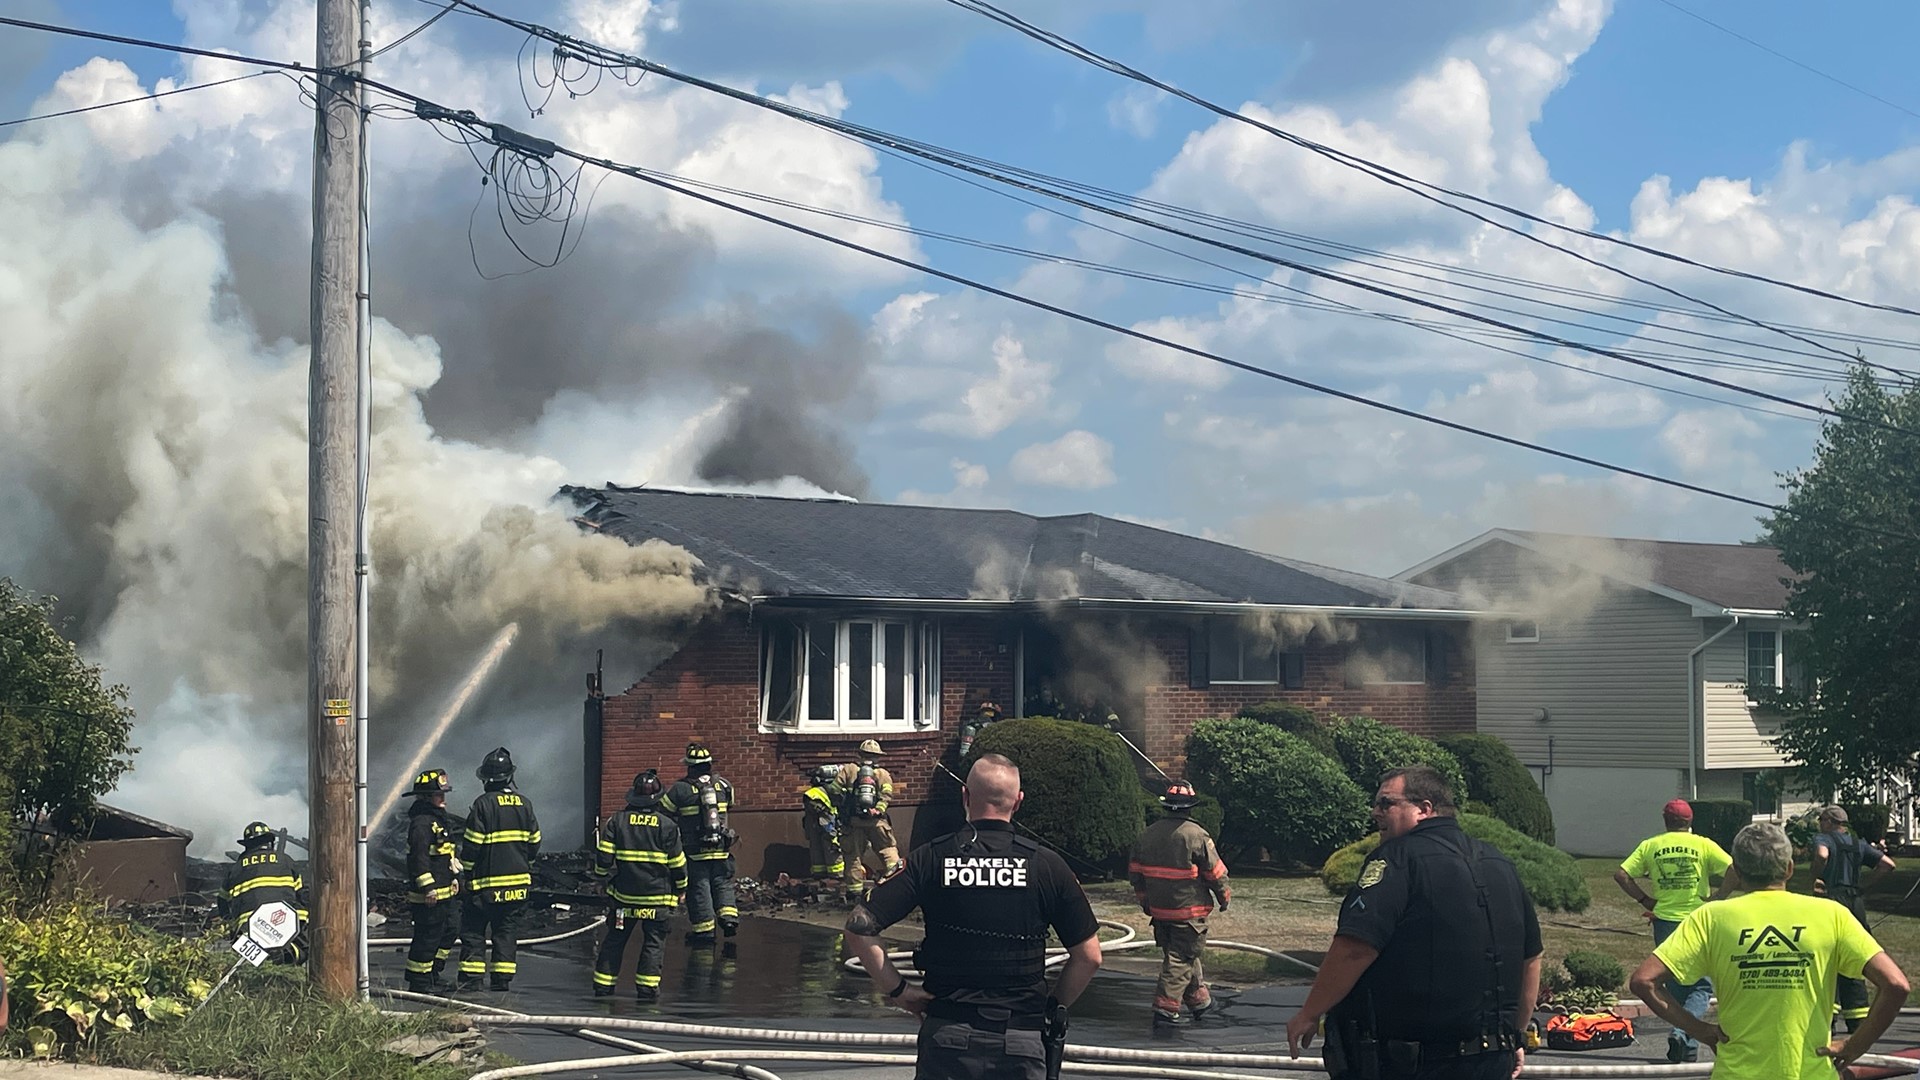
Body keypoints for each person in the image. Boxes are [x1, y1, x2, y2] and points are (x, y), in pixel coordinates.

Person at [845, 752, 1103, 1080]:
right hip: (1021, 1041)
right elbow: (1090, 957)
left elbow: (859, 927)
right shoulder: (1046, 865)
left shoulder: (931, 858)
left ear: (965, 795)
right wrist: (1050, 1008)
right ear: (1018, 801)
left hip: (947, 1041)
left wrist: (900, 992)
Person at [1285, 766, 1541, 1080]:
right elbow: (1531, 958)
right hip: (1491, 1060)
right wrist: (1513, 1036)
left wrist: (1309, 1012)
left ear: (1424, 809)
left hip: (1416, 1062)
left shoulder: (1396, 858)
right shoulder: (1499, 863)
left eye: (1386, 803)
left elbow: (1355, 946)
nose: (1375, 812)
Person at [1631, 821, 1910, 1079]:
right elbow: (1896, 984)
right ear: (1789, 868)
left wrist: (1700, 1032)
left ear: (1737, 873)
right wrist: (1854, 1045)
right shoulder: (1831, 914)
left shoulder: (1711, 917)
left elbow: (1644, 981)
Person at [1613, 797, 1733, 1062]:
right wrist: (1720, 896)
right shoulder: (1702, 844)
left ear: (1666, 821)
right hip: (1697, 921)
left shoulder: (1651, 846)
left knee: (1674, 985)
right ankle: (1682, 1034)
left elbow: (1621, 875)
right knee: (1701, 986)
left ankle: (1687, 1048)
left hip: (1665, 921)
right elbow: (1734, 869)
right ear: (1690, 821)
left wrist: (1645, 899)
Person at [1129, 779, 1230, 1025]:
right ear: (1190, 807)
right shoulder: (1196, 835)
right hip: (1189, 913)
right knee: (1181, 958)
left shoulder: (1147, 835)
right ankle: (1165, 1008)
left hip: (1160, 912)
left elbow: (1135, 873)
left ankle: (1199, 1001)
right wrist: (1223, 895)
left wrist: (1146, 903)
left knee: (1182, 954)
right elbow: (1215, 872)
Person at [592, 769, 688, 1001]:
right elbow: (678, 864)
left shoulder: (617, 821)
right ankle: (647, 989)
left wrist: (601, 878)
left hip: (624, 899)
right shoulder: (667, 826)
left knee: (615, 940)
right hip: (656, 901)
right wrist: (681, 888)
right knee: (653, 943)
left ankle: (603, 986)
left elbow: (604, 859)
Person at [456, 747, 542, 992]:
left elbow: (472, 846)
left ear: (486, 780)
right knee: (506, 933)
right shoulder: (525, 804)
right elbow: (534, 842)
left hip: (486, 888)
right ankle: (502, 981)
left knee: (473, 931)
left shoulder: (482, 805)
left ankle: (472, 981)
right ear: (509, 777)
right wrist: (527, 866)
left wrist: (467, 874)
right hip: (517, 888)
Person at [1811, 804, 1897, 1032]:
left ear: (1830, 822)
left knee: (1828, 955)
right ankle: (1857, 1017)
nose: (1820, 823)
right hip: (1855, 902)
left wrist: (1817, 875)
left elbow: (1822, 854)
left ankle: (1829, 1015)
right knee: (1854, 955)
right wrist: (1862, 886)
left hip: (1832, 899)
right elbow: (1887, 865)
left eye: (1822, 819)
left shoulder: (1824, 838)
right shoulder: (1857, 844)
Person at [663, 741, 739, 944]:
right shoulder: (724, 785)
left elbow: (664, 812)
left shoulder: (680, 789)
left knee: (699, 887)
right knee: (722, 883)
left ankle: (704, 931)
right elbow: (729, 806)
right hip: (722, 848)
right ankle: (729, 918)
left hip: (695, 850)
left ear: (690, 766)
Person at [404, 768, 462, 992]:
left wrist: (455, 876)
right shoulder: (421, 823)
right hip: (428, 895)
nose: (444, 800)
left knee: (450, 929)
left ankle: (432, 973)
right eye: (440, 795)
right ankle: (419, 982)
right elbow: (418, 858)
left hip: (445, 890)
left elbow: (446, 852)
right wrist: (427, 887)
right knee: (428, 937)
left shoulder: (438, 819)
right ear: (427, 797)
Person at [220, 821, 310, 965]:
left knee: (248, 964)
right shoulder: (286, 861)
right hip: (287, 927)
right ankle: (289, 960)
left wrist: (231, 925)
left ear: (247, 845)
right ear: (270, 842)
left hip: (247, 931)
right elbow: (302, 896)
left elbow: (222, 902)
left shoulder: (235, 869)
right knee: (305, 949)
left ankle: (260, 963)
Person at [836, 739, 900, 903]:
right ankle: (897, 885)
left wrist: (844, 807)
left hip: (854, 821)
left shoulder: (849, 770)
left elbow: (834, 791)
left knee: (853, 857)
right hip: (876, 822)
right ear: (878, 756)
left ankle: (854, 893)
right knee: (888, 851)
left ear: (860, 754)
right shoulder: (883, 774)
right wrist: (877, 810)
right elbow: (887, 795)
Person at [802, 763, 846, 880]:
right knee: (831, 847)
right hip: (825, 823)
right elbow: (826, 818)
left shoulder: (814, 792)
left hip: (813, 826)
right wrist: (832, 833)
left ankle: (819, 873)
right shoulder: (827, 792)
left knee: (816, 847)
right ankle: (837, 874)